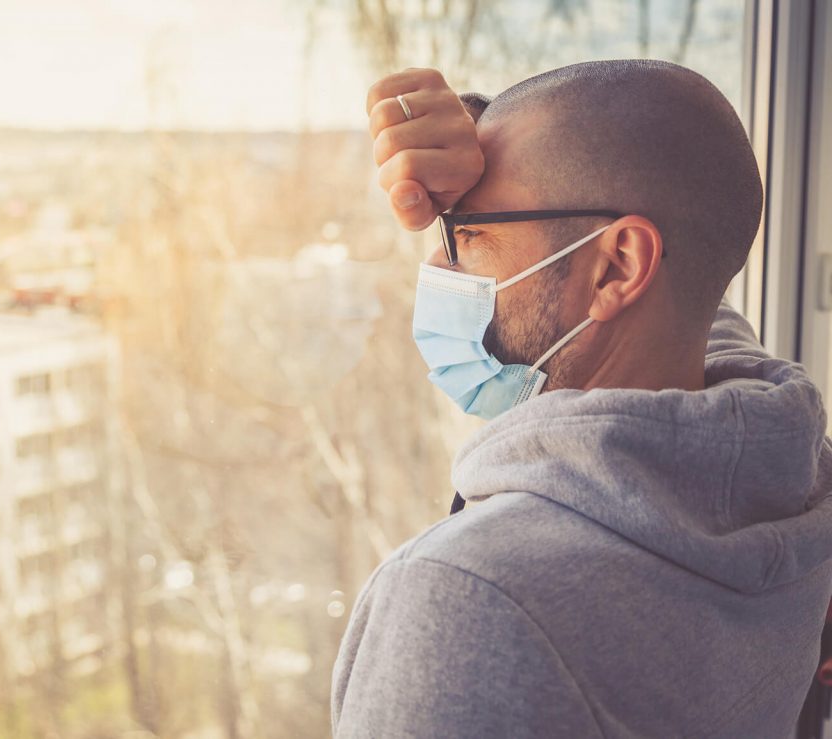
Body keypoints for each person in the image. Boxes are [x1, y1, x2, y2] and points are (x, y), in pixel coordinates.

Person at [331, 60, 832, 738]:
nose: (438, 268)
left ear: (618, 266)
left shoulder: (469, 599)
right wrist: (497, 132)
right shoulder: (792, 474)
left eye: (468, 235)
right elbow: (682, 251)